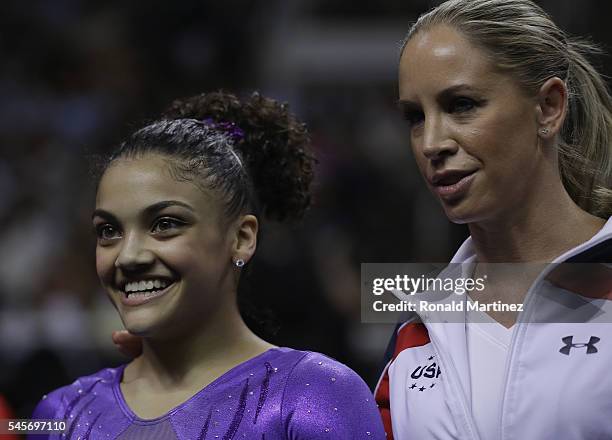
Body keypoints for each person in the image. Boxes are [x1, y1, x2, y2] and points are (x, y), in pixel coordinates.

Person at [29, 91, 385, 439]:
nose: (128, 256)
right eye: (108, 231)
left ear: (242, 238)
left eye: (165, 224)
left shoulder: (315, 397)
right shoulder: (62, 414)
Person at [374, 0, 612, 439]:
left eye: (462, 104)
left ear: (549, 107)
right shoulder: (414, 333)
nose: (431, 143)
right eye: (414, 117)